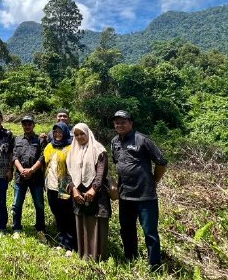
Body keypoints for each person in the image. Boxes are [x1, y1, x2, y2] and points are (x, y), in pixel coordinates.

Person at [110, 110, 168, 269]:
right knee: (126, 229)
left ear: (130, 123)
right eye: (116, 122)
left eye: (123, 121)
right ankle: (131, 258)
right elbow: (117, 163)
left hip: (145, 196)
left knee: (150, 232)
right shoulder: (115, 142)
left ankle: (155, 265)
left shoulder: (143, 140)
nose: (119, 125)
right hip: (125, 196)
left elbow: (161, 162)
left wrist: (154, 180)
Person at [68, 123, 111, 261]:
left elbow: (101, 172)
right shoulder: (72, 151)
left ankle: (98, 257)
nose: (79, 137)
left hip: (96, 194)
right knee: (83, 223)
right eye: (76, 134)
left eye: (82, 134)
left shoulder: (98, 149)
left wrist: (93, 189)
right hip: (78, 193)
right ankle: (84, 255)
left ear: (88, 133)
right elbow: (67, 174)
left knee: (97, 223)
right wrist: (73, 190)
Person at [38, 122, 77, 252]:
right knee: (58, 214)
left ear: (65, 132)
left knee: (68, 215)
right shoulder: (49, 146)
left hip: (65, 185)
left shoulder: (71, 147)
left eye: (60, 132)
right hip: (51, 185)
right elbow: (44, 162)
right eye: (55, 132)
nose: (57, 134)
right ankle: (61, 242)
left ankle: (70, 244)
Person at [12, 115, 46, 241]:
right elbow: (14, 157)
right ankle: (16, 228)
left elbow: (43, 157)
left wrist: (32, 170)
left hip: (36, 177)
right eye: (25, 124)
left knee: (39, 205)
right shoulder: (17, 140)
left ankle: (40, 230)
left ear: (33, 125)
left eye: (29, 124)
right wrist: (21, 170)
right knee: (17, 204)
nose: (27, 126)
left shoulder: (40, 140)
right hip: (20, 177)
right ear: (22, 125)